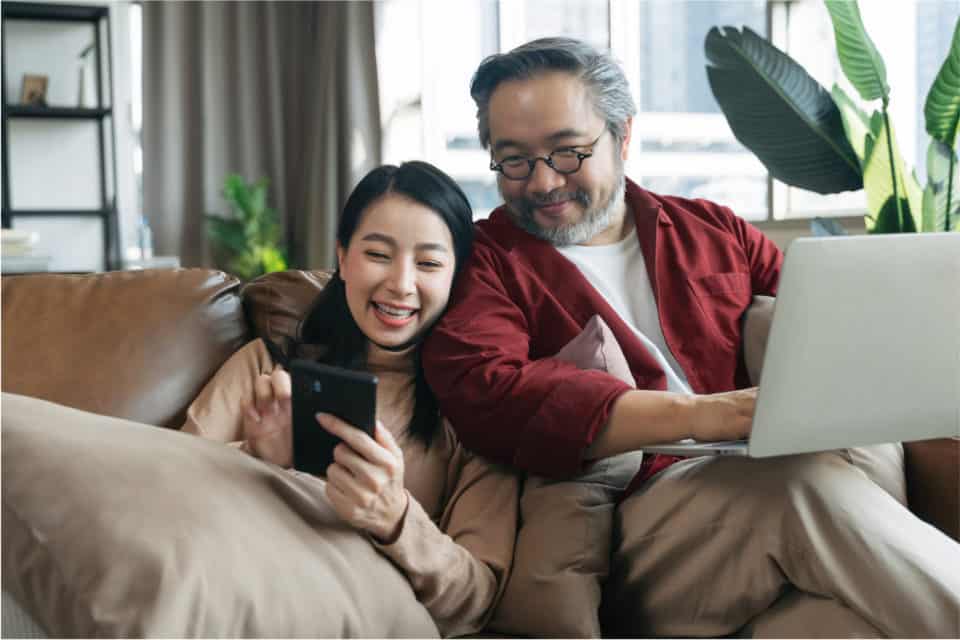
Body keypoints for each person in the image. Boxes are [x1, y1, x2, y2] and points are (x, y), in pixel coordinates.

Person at [420, 37, 960, 637]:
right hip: (634, 532)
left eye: (567, 152)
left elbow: (828, 329)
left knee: (839, 624)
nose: (543, 182)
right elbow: (490, 393)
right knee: (796, 489)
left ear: (622, 136)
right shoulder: (482, 263)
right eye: (514, 160)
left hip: (770, 521)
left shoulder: (712, 230)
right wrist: (704, 415)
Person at [181, 161, 519, 638]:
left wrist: (396, 520)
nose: (401, 284)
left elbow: (475, 600)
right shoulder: (267, 368)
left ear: (455, 277)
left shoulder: (476, 406)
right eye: (378, 254)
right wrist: (260, 462)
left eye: (428, 263)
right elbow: (167, 497)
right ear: (342, 257)